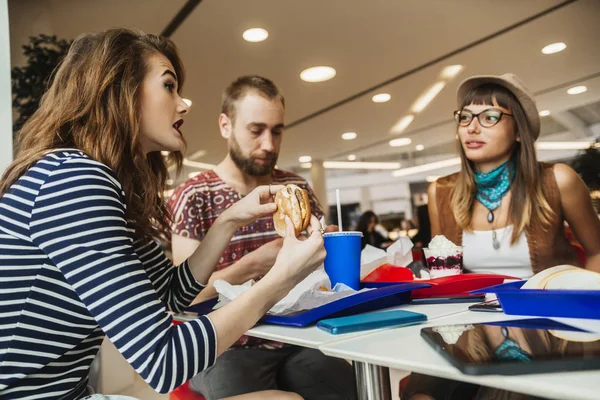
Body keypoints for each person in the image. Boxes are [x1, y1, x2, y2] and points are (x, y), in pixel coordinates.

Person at [0, 29, 325, 400]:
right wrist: (281, 277)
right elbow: (164, 360)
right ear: (119, 89)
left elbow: (173, 295)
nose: (183, 104)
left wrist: (229, 220)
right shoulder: (74, 179)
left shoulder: (90, 179)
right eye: (168, 86)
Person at [404, 73, 600, 399]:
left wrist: (585, 302)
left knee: (505, 394)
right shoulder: (442, 192)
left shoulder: (557, 181)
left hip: (549, 323)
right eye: (464, 117)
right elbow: (445, 274)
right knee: (420, 395)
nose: (471, 127)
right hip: (471, 324)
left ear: (518, 130)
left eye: (490, 117)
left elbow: (597, 251)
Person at [169, 76, 357, 400]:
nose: (269, 144)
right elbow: (186, 297)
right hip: (225, 345)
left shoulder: (295, 187)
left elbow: (320, 276)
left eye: (277, 130)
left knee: (348, 389)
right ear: (225, 125)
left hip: (297, 336)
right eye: (256, 131)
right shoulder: (194, 195)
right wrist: (253, 264)